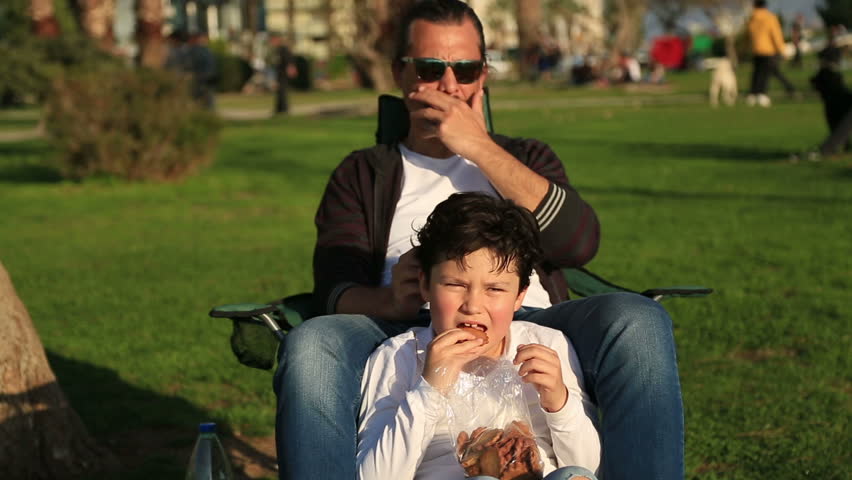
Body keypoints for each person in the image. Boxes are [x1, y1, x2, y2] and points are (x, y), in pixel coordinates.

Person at [273, 1, 684, 479]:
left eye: (465, 69)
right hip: (400, 325)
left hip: (528, 315)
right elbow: (334, 289)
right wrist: (390, 299)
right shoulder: (364, 173)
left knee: (639, 319)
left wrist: (477, 147)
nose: (450, 86)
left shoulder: (525, 157)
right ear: (399, 73)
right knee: (312, 343)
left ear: (484, 76)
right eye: (430, 69)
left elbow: (579, 243)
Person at [357, 192, 600, 480]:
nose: (472, 306)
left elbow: (590, 468)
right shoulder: (400, 357)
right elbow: (374, 476)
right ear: (426, 286)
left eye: (495, 289)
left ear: (520, 296)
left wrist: (558, 402)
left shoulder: (547, 346)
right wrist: (430, 388)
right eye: (454, 285)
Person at [746, 0, 796, 107]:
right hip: (768, 50)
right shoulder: (769, 18)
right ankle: (762, 94)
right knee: (765, 73)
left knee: (757, 73)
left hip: (755, 49)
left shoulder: (752, 18)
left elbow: (749, 34)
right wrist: (782, 50)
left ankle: (753, 94)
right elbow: (776, 34)